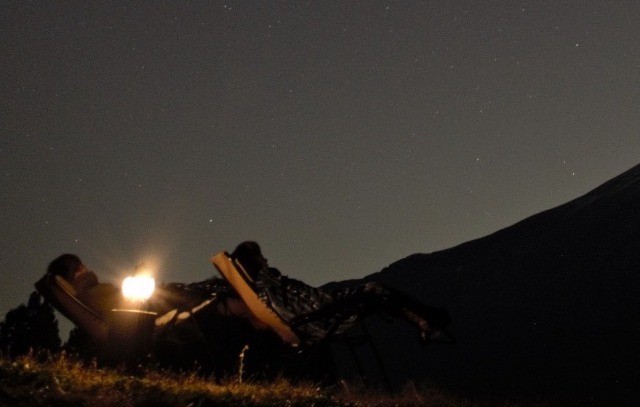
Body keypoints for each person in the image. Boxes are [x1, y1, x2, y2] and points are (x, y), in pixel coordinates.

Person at [230, 241, 451, 345]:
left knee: (376, 295)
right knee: (375, 290)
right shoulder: (267, 281)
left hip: (319, 313)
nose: (266, 260)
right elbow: (309, 304)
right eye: (261, 257)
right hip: (323, 316)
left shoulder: (262, 288)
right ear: (254, 263)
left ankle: (425, 323)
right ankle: (427, 321)